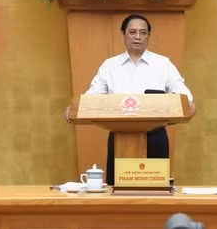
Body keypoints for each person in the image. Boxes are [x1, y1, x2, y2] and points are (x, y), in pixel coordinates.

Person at [69, 14, 195, 185]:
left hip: (155, 136)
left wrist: (188, 104)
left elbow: (185, 97)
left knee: (155, 192)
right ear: (123, 35)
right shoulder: (110, 66)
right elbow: (92, 98)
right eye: (132, 32)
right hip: (119, 136)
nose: (137, 37)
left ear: (148, 36)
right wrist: (75, 109)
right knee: (118, 193)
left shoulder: (163, 64)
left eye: (143, 33)